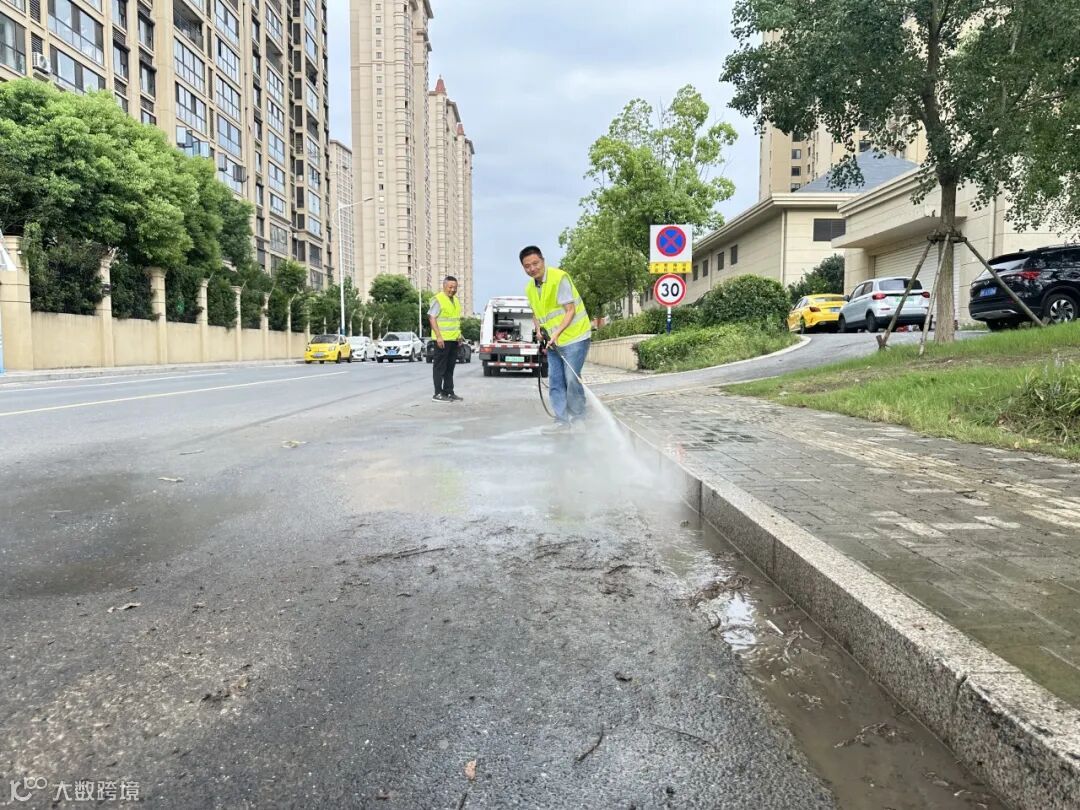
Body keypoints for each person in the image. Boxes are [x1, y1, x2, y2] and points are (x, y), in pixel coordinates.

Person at [520, 246, 591, 431]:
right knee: (556, 381)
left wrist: (556, 333)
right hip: (553, 343)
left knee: (571, 378)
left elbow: (570, 310)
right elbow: (536, 313)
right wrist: (538, 330)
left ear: (543, 260)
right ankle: (561, 420)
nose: (532, 268)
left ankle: (578, 418)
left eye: (535, 263)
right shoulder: (529, 288)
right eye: (527, 266)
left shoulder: (559, 278)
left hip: (575, 337)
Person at [428, 275, 463, 402]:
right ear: (444, 286)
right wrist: (438, 336)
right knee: (440, 367)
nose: (453, 290)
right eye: (450, 287)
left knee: (449, 368)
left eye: (455, 287)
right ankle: (438, 393)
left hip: (453, 340)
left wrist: (459, 336)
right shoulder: (439, 299)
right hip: (442, 340)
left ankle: (449, 392)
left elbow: (455, 321)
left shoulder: (456, 301)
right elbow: (432, 317)